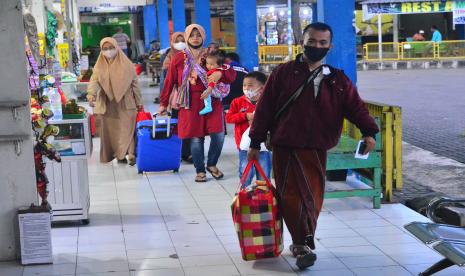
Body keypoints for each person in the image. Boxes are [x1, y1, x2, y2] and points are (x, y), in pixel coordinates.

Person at [247, 22, 379, 270]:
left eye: (322, 43)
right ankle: (302, 243)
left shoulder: (337, 79)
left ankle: (303, 240)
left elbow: (355, 107)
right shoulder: (283, 73)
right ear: (302, 42)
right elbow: (264, 110)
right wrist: (255, 141)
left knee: (312, 196)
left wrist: (369, 131)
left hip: (317, 147)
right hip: (285, 145)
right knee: (290, 196)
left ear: (329, 46)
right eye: (312, 41)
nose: (316, 46)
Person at [158, 24, 236, 182]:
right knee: (195, 138)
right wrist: (163, 104)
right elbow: (169, 82)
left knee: (219, 135)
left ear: (203, 36)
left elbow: (231, 72)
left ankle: (212, 164)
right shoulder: (179, 58)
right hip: (190, 102)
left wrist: (220, 73)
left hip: (212, 99)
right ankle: (200, 170)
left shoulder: (213, 54)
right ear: (187, 37)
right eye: (192, 35)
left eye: (198, 34)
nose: (195, 38)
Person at [87, 37, 143, 166]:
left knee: (127, 129)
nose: (109, 51)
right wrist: (91, 95)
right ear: (101, 50)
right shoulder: (99, 66)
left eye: (111, 48)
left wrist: (139, 102)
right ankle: (119, 154)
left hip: (126, 102)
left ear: (117, 48)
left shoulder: (127, 64)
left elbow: (135, 85)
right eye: (105, 49)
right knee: (113, 132)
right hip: (108, 103)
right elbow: (94, 81)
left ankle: (130, 154)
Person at [226, 71, 270, 187]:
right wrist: (245, 116)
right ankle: (244, 195)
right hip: (244, 146)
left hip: (264, 147)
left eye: (250, 85)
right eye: (244, 85)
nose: (246, 88)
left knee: (264, 176)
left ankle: (264, 198)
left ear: (262, 88)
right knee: (245, 175)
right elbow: (229, 118)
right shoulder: (237, 102)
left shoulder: (267, 102)